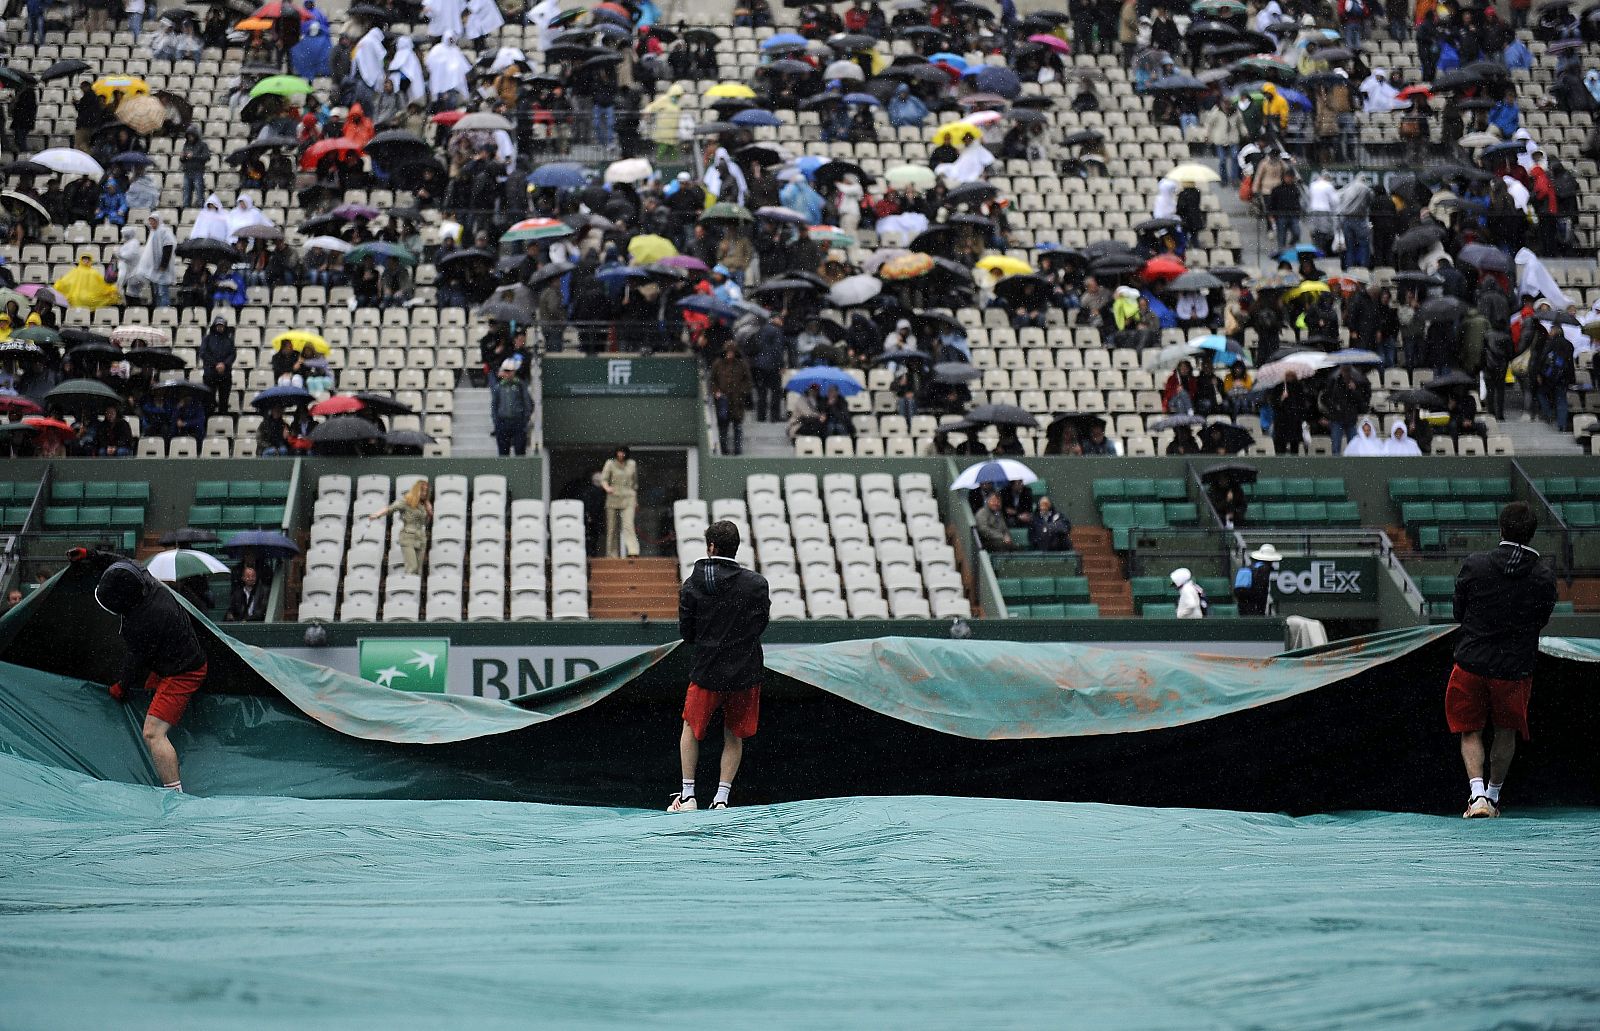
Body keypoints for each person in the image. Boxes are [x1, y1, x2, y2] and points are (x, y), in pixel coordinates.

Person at [1448, 502, 1557, 818]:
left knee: (1471, 730)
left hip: (1471, 663)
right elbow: (1541, 620)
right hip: (1513, 669)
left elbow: (1459, 612)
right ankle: (1493, 799)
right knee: (1506, 730)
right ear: (1533, 534)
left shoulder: (1475, 565)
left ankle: (1477, 796)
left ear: (1501, 529)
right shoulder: (1543, 576)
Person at [669, 519, 770, 812]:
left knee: (690, 728)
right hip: (745, 672)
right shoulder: (756, 584)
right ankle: (721, 800)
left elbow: (687, 633)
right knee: (733, 734)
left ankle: (688, 797)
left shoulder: (692, 584)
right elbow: (759, 626)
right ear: (735, 548)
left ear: (711, 547)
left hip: (706, 671)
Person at [98, 559, 208, 793]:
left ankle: (174, 795)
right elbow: (120, 562)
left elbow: (135, 661)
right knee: (148, 696)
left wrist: (121, 687)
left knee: (152, 733)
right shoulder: (144, 577)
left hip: (184, 672)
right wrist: (91, 554)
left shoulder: (146, 621)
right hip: (170, 658)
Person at [368, 479, 433, 576]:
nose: (424, 493)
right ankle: (408, 587)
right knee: (412, 567)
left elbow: (425, 523)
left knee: (418, 570)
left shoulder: (424, 505)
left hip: (420, 537)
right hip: (408, 535)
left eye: (426, 491)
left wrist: (429, 512)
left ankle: (413, 588)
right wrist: (377, 514)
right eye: (422, 490)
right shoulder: (407, 501)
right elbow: (390, 508)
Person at [710, 342, 752, 455]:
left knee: (737, 427)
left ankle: (738, 451)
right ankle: (724, 451)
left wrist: (741, 391)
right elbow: (712, 381)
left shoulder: (742, 364)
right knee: (723, 427)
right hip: (723, 401)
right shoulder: (718, 364)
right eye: (728, 352)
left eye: (732, 352)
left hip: (737, 401)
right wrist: (716, 392)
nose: (729, 354)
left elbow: (748, 381)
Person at [600, 445, 638, 558]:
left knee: (628, 525)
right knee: (612, 527)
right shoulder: (610, 463)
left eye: (623, 452)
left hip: (628, 497)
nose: (621, 455)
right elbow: (603, 479)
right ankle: (612, 553)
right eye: (619, 452)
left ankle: (633, 551)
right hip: (613, 497)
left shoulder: (631, 464)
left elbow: (635, 483)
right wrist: (607, 488)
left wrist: (635, 500)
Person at [489, 358, 533, 456]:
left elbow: (528, 403)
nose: (508, 373)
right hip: (503, 422)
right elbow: (494, 406)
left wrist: (524, 419)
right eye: (506, 371)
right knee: (503, 453)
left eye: (510, 371)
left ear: (514, 371)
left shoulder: (520, 385)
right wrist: (496, 422)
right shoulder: (498, 387)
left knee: (520, 451)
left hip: (518, 422)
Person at [1233, 542, 1281, 615]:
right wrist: (1261, 611)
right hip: (1253, 605)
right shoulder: (1264, 569)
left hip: (1243, 604)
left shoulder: (1251, 567)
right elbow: (1261, 592)